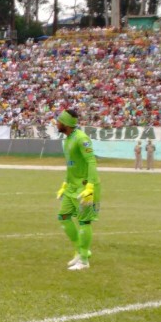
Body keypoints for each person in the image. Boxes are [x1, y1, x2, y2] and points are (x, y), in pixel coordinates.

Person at [55, 109, 101, 271]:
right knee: (63, 216)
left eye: (59, 120)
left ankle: (84, 261)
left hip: (84, 187)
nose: (56, 123)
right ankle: (80, 252)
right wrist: (65, 185)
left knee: (84, 222)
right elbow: (71, 166)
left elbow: (91, 162)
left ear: (66, 124)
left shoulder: (82, 138)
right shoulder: (67, 140)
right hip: (72, 187)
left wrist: (90, 186)